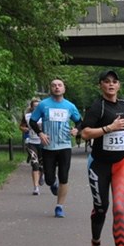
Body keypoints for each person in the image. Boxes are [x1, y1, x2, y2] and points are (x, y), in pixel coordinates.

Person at [78, 69, 124, 246]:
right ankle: (96, 241)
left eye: (114, 81)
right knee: (101, 208)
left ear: (119, 85)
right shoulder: (97, 107)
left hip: (121, 163)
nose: (111, 84)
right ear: (101, 86)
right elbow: (85, 133)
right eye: (106, 81)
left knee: (119, 208)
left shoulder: (123, 105)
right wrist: (108, 129)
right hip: (99, 165)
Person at [30, 78, 81, 218]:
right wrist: (40, 133)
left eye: (59, 85)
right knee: (49, 179)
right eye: (54, 85)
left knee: (64, 177)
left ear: (64, 89)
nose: (57, 87)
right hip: (48, 147)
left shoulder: (70, 106)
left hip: (65, 146)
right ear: (50, 89)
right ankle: (53, 183)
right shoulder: (43, 105)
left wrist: (76, 130)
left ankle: (59, 206)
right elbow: (32, 121)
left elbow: (80, 122)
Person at [19, 98, 43, 195]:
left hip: (43, 143)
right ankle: (36, 187)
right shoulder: (27, 116)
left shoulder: (44, 115)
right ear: (32, 107)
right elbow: (21, 126)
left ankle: (41, 174)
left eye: (38, 106)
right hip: (31, 142)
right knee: (35, 164)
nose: (36, 108)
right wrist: (24, 129)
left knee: (42, 165)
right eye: (35, 106)